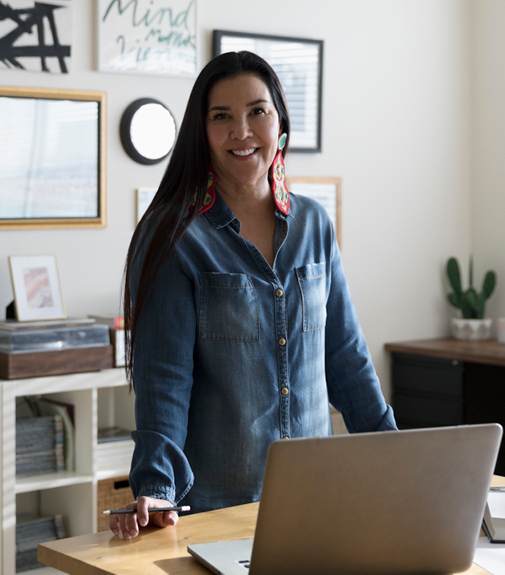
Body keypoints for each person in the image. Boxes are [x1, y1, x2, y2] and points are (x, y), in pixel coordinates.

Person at [110, 51, 397, 539]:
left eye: (256, 112)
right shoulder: (175, 236)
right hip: (218, 513)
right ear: (201, 134)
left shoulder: (314, 225)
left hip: (318, 500)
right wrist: (156, 485)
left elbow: (346, 357)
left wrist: (398, 458)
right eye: (221, 117)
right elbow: (165, 381)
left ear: (280, 125)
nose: (241, 132)